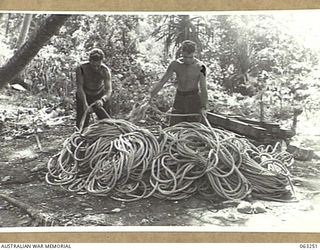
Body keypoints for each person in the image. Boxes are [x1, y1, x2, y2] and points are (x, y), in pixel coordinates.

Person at [146, 40, 208, 126]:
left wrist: (203, 107)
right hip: (179, 98)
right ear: (181, 52)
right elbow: (162, 81)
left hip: (193, 99)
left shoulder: (201, 67)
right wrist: (150, 96)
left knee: (193, 128)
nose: (187, 60)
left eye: (190, 57)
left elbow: (203, 88)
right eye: (185, 57)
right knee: (174, 127)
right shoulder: (175, 64)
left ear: (194, 53)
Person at [75, 48, 112, 129]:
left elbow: (109, 90)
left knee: (107, 123)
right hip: (84, 94)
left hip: (99, 95)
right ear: (90, 61)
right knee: (82, 124)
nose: (96, 68)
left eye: (98, 65)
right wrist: (85, 103)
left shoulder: (105, 70)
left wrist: (102, 100)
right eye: (93, 65)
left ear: (101, 61)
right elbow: (79, 87)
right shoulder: (81, 68)